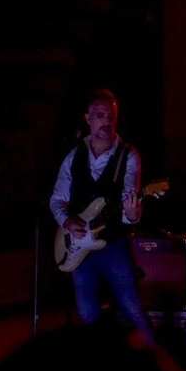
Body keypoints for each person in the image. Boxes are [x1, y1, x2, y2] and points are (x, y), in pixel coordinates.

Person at [49, 89, 153, 342]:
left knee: (132, 308)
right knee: (87, 315)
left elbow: (130, 204)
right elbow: (57, 199)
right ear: (88, 118)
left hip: (113, 244)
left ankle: (157, 361)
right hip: (77, 246)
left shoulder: (128, 156)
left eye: (110, 115)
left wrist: (132, 213)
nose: (106, 120)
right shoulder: (74, 156)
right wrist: (68, 222)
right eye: (99, 115)